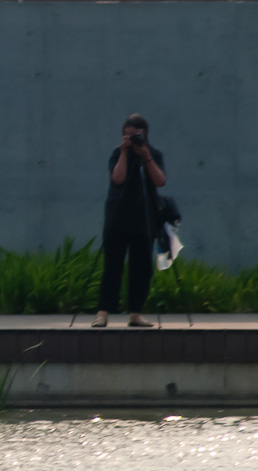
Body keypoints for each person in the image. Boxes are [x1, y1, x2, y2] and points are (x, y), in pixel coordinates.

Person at [92, 114, 166, 328]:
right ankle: (102, 312)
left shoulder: (154, 154)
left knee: (141, 268)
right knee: (112, 267)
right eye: (128, 136)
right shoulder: (118, 153)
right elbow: (118, 178)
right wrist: (125, 151)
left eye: (136, 136)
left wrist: (146, 156)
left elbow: (160, 181)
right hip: (118, 218)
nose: (132, 140)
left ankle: (135, 313)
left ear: (145, 135)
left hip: (144, 219)